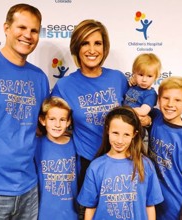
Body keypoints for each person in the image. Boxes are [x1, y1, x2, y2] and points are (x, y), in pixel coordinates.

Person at [0, 4, 50, 219]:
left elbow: (39, 129)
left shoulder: (40, 78)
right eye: (21, 27)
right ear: (6, 28)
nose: (28, 35)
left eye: (34, 31)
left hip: (28, 190)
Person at [51, 19, 129, 194]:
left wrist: (148, 117)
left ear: (105, 48)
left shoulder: (118, 79)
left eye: (98, 43)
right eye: (85, 43)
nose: (92, 50)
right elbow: (51, 123)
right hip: (87, 165)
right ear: (77, 48)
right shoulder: (64, 86)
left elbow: (133, 116)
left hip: (120, 161)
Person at [77, 106, 163, 220]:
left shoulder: (145, 165)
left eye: (126, 134)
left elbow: (150, 205)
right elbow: (90, 207)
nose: (120, 140)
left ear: (134, 134)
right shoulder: (96, 167)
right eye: (115, 133)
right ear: (107, 130)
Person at [147, 76, 182, 220]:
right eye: (166, 98)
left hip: (175, 211)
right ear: (158, 100)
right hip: (151, 204)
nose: (170, 104)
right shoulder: (156, 118)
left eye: (177, 100)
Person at [35, 97, 78, 220]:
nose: (57, 124)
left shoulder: (75, 145)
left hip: (70, 214)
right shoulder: (36, 145)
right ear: (43, 120)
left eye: (62, 119)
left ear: (69, 121)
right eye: (52, 119)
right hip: (43, 213)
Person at [124, 53, 161, 118]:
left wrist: (124, 110)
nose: (144, 80)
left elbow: (143, 111)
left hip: (136, 122)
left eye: (149, 76)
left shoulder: (151, 94)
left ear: (156, 77)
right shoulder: (133, 85)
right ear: (134, 73)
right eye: (141, 75)